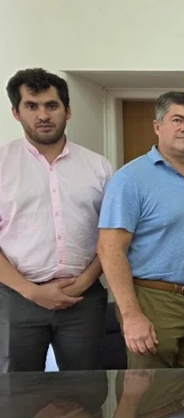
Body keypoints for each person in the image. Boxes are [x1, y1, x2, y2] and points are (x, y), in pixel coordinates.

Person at [97, 91, 184, 369]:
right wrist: (131, 315)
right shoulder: (130, 179)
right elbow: (110, 249)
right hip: (153, 301)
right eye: (177, 120)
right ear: (157, 126)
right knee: (150, 390)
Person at [0, 68, 111, 373]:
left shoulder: (98, 167)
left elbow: (112, 237)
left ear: (67, 111)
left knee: (86, 389)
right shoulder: (3, 165)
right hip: (18, 297)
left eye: (52, 105)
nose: (43, 115)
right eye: (31, 106)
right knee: (18, 391)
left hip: (83, 299)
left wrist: (84, 282)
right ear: (16, 112)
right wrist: (31, 291)